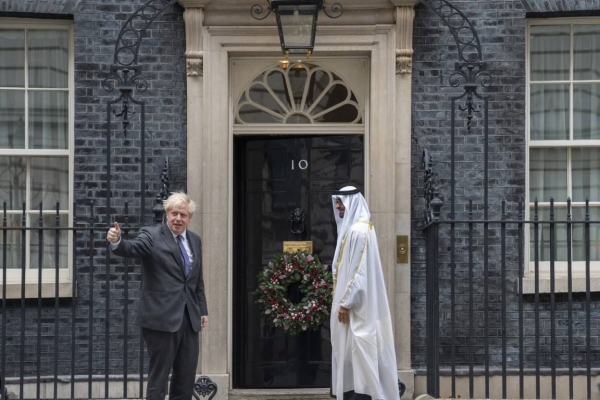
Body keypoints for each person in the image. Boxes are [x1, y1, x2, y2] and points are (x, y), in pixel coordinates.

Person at [106, 192, 208, 400]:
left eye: (183, 215)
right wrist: (117, 241)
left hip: (189, 319)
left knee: (186, 377)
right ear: (167, 214)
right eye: (174, 213)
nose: (178, 218)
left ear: (190, 218)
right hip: (161, 319)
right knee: (159, 378)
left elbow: (196, 280)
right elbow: (132, 248)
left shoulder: (195, 240)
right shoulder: (151, 235)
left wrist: (202, 310)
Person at [330, 186, 399, 400]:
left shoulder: (359, 231)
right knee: (355, 353)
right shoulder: (359, 230)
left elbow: (358, 272)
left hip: (355, 309)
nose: (338, 207)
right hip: (354, 306)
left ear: (351, 203)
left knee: (358, 351)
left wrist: (346, 303)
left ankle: (365, 395)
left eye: (340, 202)